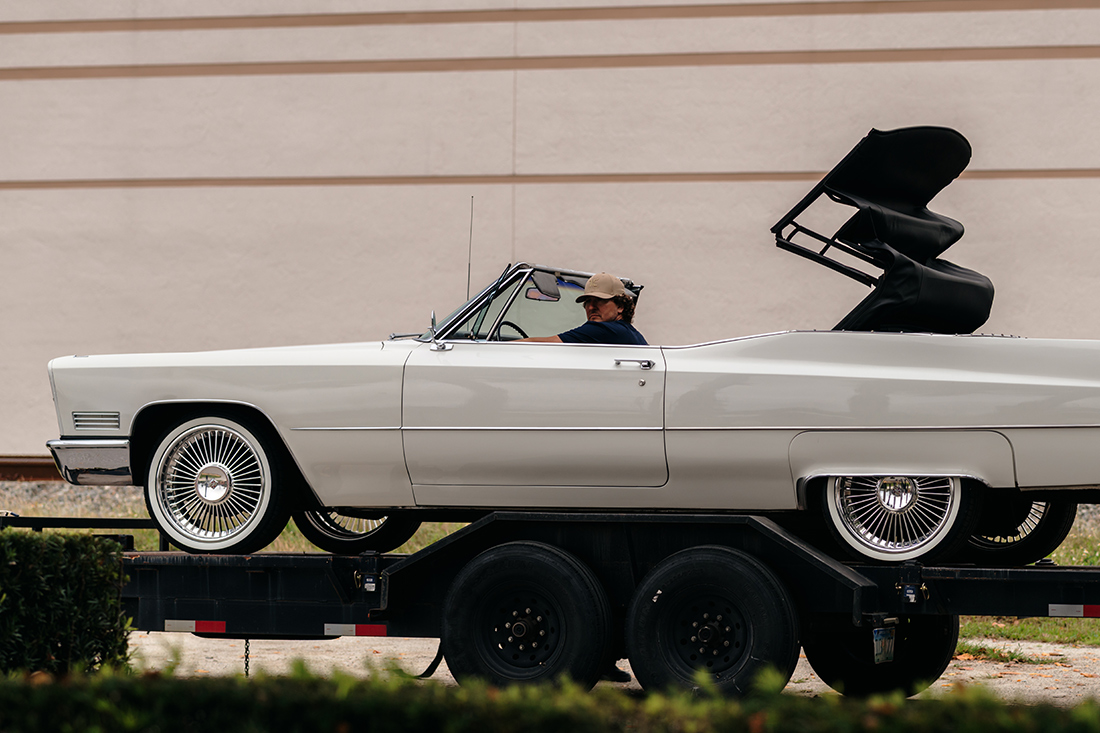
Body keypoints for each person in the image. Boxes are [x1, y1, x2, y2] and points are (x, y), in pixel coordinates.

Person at [520, 272, 648, 345]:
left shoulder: (606, 330)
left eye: (600, 301)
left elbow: (546, 344)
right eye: (588, 302)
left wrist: (507, 347)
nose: (591, 307)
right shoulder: (629, 333)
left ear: (620, 306)